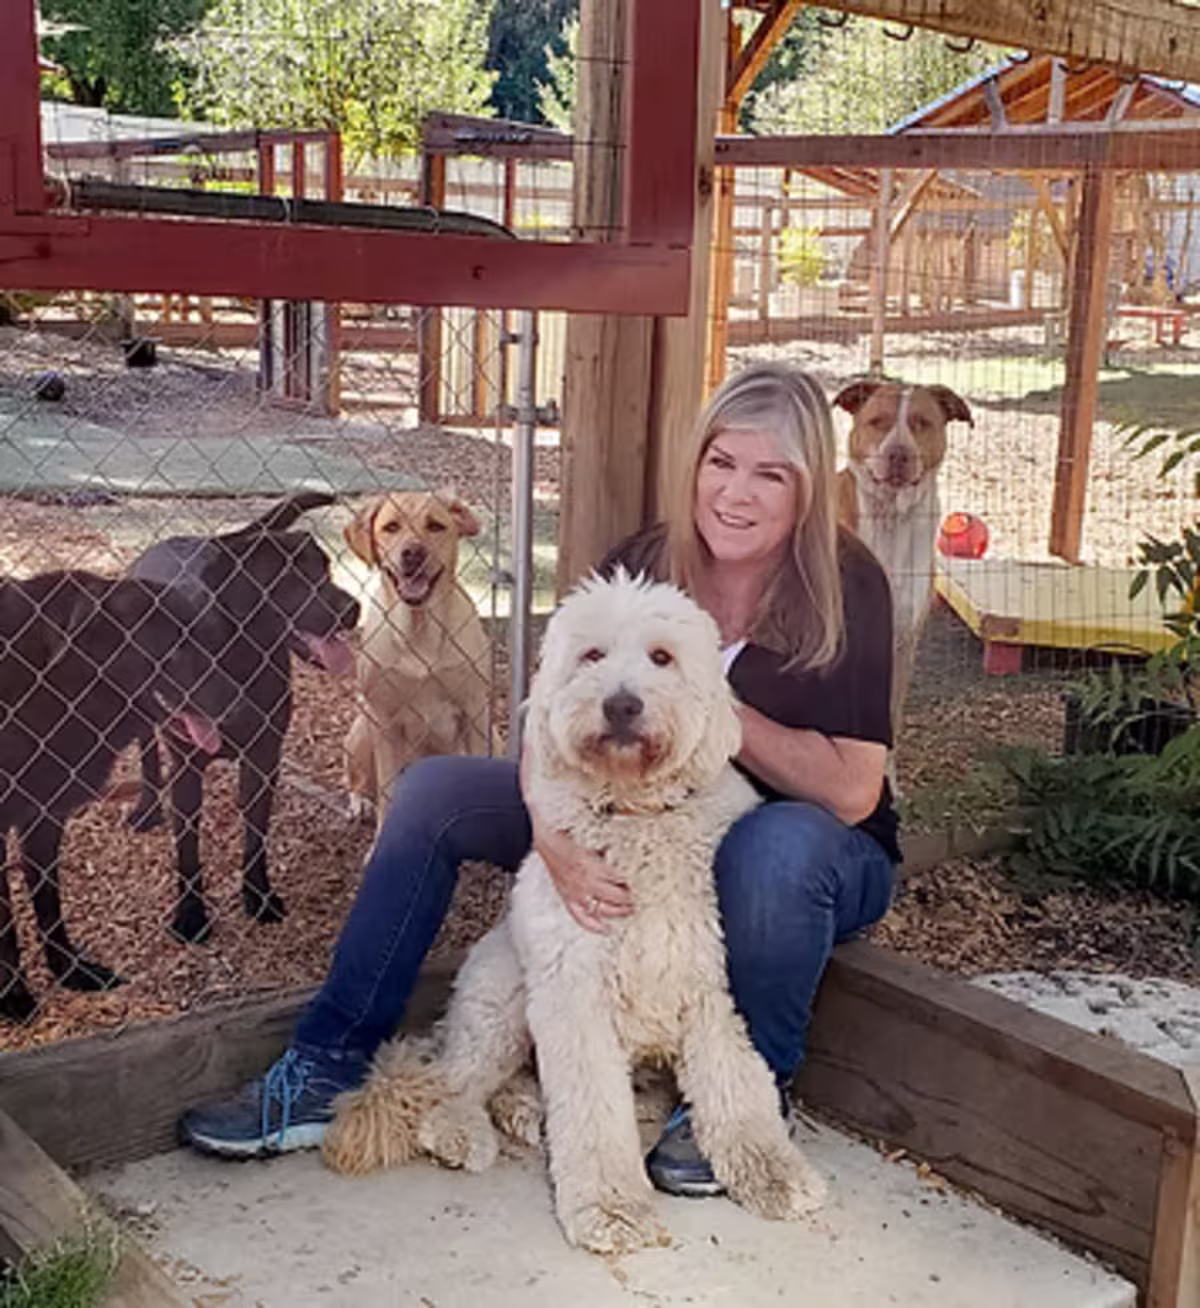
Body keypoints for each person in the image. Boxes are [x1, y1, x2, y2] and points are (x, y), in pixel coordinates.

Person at [179, 361, 900, 1199]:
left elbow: (853, 792)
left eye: (770, 474)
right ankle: (324, 1062)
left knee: (773, 851)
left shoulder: (847, 588)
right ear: (695, 463)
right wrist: (547, 829)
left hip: (804, 847)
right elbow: (551, 704)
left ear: (809, 487)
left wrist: (704, 698)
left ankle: (743, 1102)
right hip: (626, 809)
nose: (735, 494)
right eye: (720, 463)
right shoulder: (644, 559)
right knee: (431, 794)